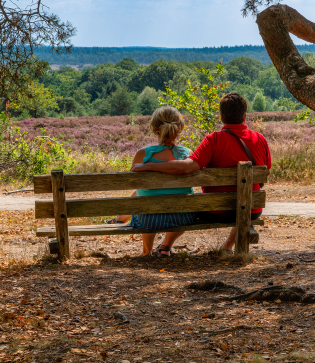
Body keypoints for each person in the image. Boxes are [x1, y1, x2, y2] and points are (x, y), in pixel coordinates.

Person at [131, 92, 272, 254]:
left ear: (221, 116)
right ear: (245, 116)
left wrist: (147, 166)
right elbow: (265, 172)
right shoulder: (260, 139)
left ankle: (160, 247)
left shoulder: (214, 140)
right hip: (252, 210)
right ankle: (227, 247)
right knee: (242, 205)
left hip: (217, 210)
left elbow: (186, 167)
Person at [106, 106, 198, 257]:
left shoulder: (143, 154)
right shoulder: (188, 154)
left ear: (155, 129)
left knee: (145, 199)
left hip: (149, 220)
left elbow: (135, 183)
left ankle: (146, 252)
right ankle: (165, 247)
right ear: (179, 128)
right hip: (184, 218)